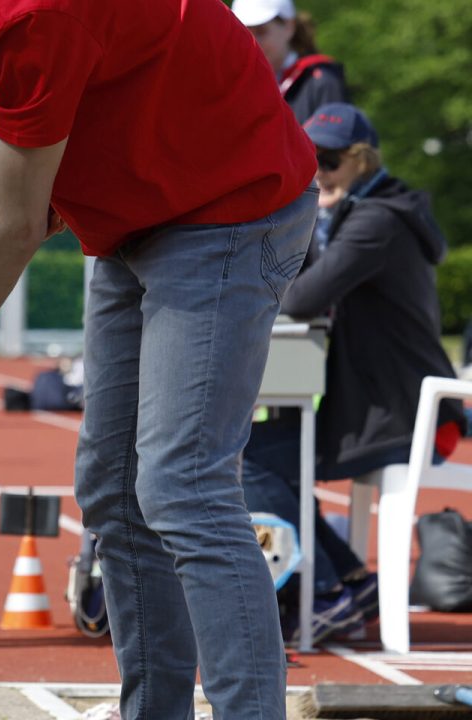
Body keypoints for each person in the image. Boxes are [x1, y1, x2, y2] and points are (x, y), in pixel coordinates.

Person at [0, 0, 317, 715]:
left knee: (182, 485)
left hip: (230, 205)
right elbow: (35, 188)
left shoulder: (32, 14)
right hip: (139, 211)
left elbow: (15, 227)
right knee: (112, 485)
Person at [242, 104, 465, 645]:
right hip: (381, 403)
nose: (317, 170)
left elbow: (302, 296)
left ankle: (323, 595)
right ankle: (348, 580)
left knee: (244, 457)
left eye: (329, 160)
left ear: (362, 160)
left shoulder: (377, 222)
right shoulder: (368, 212)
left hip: (400, 413)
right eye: (308, 159)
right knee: (267, 454)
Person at [233, 0, 347, 122]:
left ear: (289, 27)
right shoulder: (239, 84)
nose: (253, 42)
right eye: (244, 33)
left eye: (261, 32)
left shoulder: (321, 82)